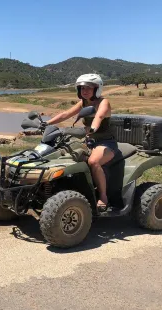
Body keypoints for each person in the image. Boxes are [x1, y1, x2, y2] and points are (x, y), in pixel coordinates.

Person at [43, 73, 118, 211]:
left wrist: (93, 128)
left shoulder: (103, 102)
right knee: (63, 153)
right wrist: (45, 123)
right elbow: (65, 114)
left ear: (97, 89)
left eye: (89, 88)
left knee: (93, 162)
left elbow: (99, 116)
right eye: (82, 88)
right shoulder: (83, 103)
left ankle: (103, 196)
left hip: (106, 143)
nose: (85, 91)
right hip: (89, 141)